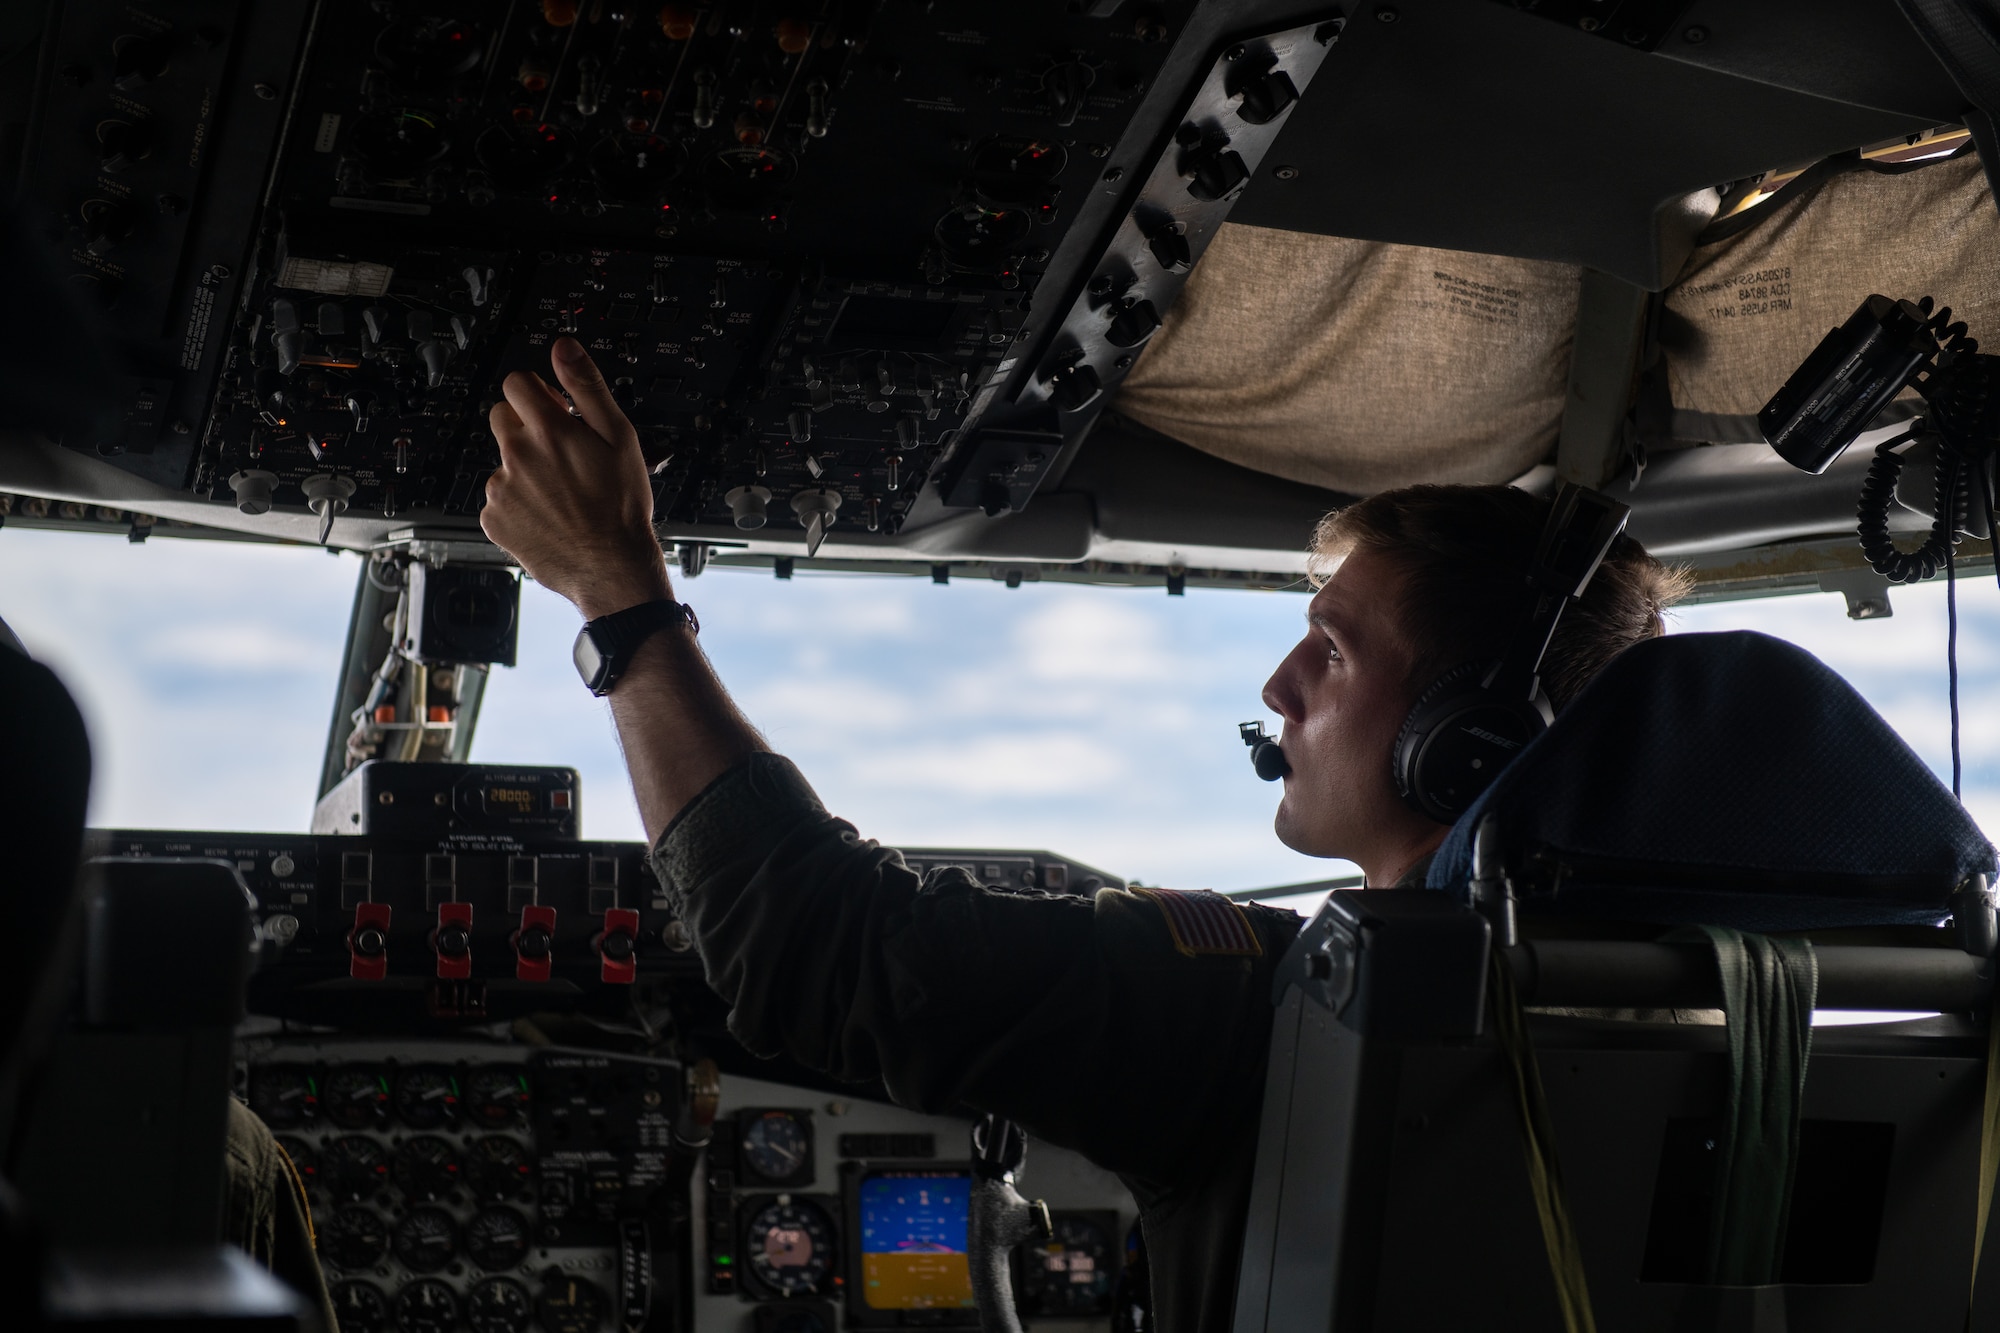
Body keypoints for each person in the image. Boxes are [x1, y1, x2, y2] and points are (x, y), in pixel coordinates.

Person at [478, 337, 1691, 1332]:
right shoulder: (1718, 1015)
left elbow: (808, 941)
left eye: (1331, 648)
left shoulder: (1266, 1011)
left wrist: (616, 590)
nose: (1278, 687)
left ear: (1466, 735)